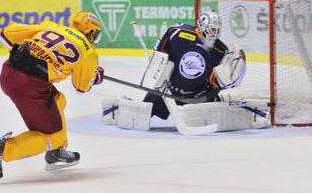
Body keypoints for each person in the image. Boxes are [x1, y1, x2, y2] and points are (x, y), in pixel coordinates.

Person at [101, 11, 267, 133]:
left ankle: (250, 111)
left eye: (216, 30)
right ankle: (118, 107)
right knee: (141, 115)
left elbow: (216, 81)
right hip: (168, 91)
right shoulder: (178, 33)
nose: (213, 34)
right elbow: (160, 55)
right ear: (201, 26)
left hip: (197, 97)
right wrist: (157, 74)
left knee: (218, 114)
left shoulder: (220, 50)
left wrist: (223, 81)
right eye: (210, 30)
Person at [0, 11, 104, 178]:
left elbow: (6, 34)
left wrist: (36, 53)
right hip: (30, 85)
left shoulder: (53, 27)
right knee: (52, 137)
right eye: (96, 34)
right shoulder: (88, 51)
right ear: (90, 31)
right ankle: (3, 150)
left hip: (8, 72)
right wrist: (96, 75)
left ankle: (56, 153)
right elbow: (82, 87)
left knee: (58, 100)